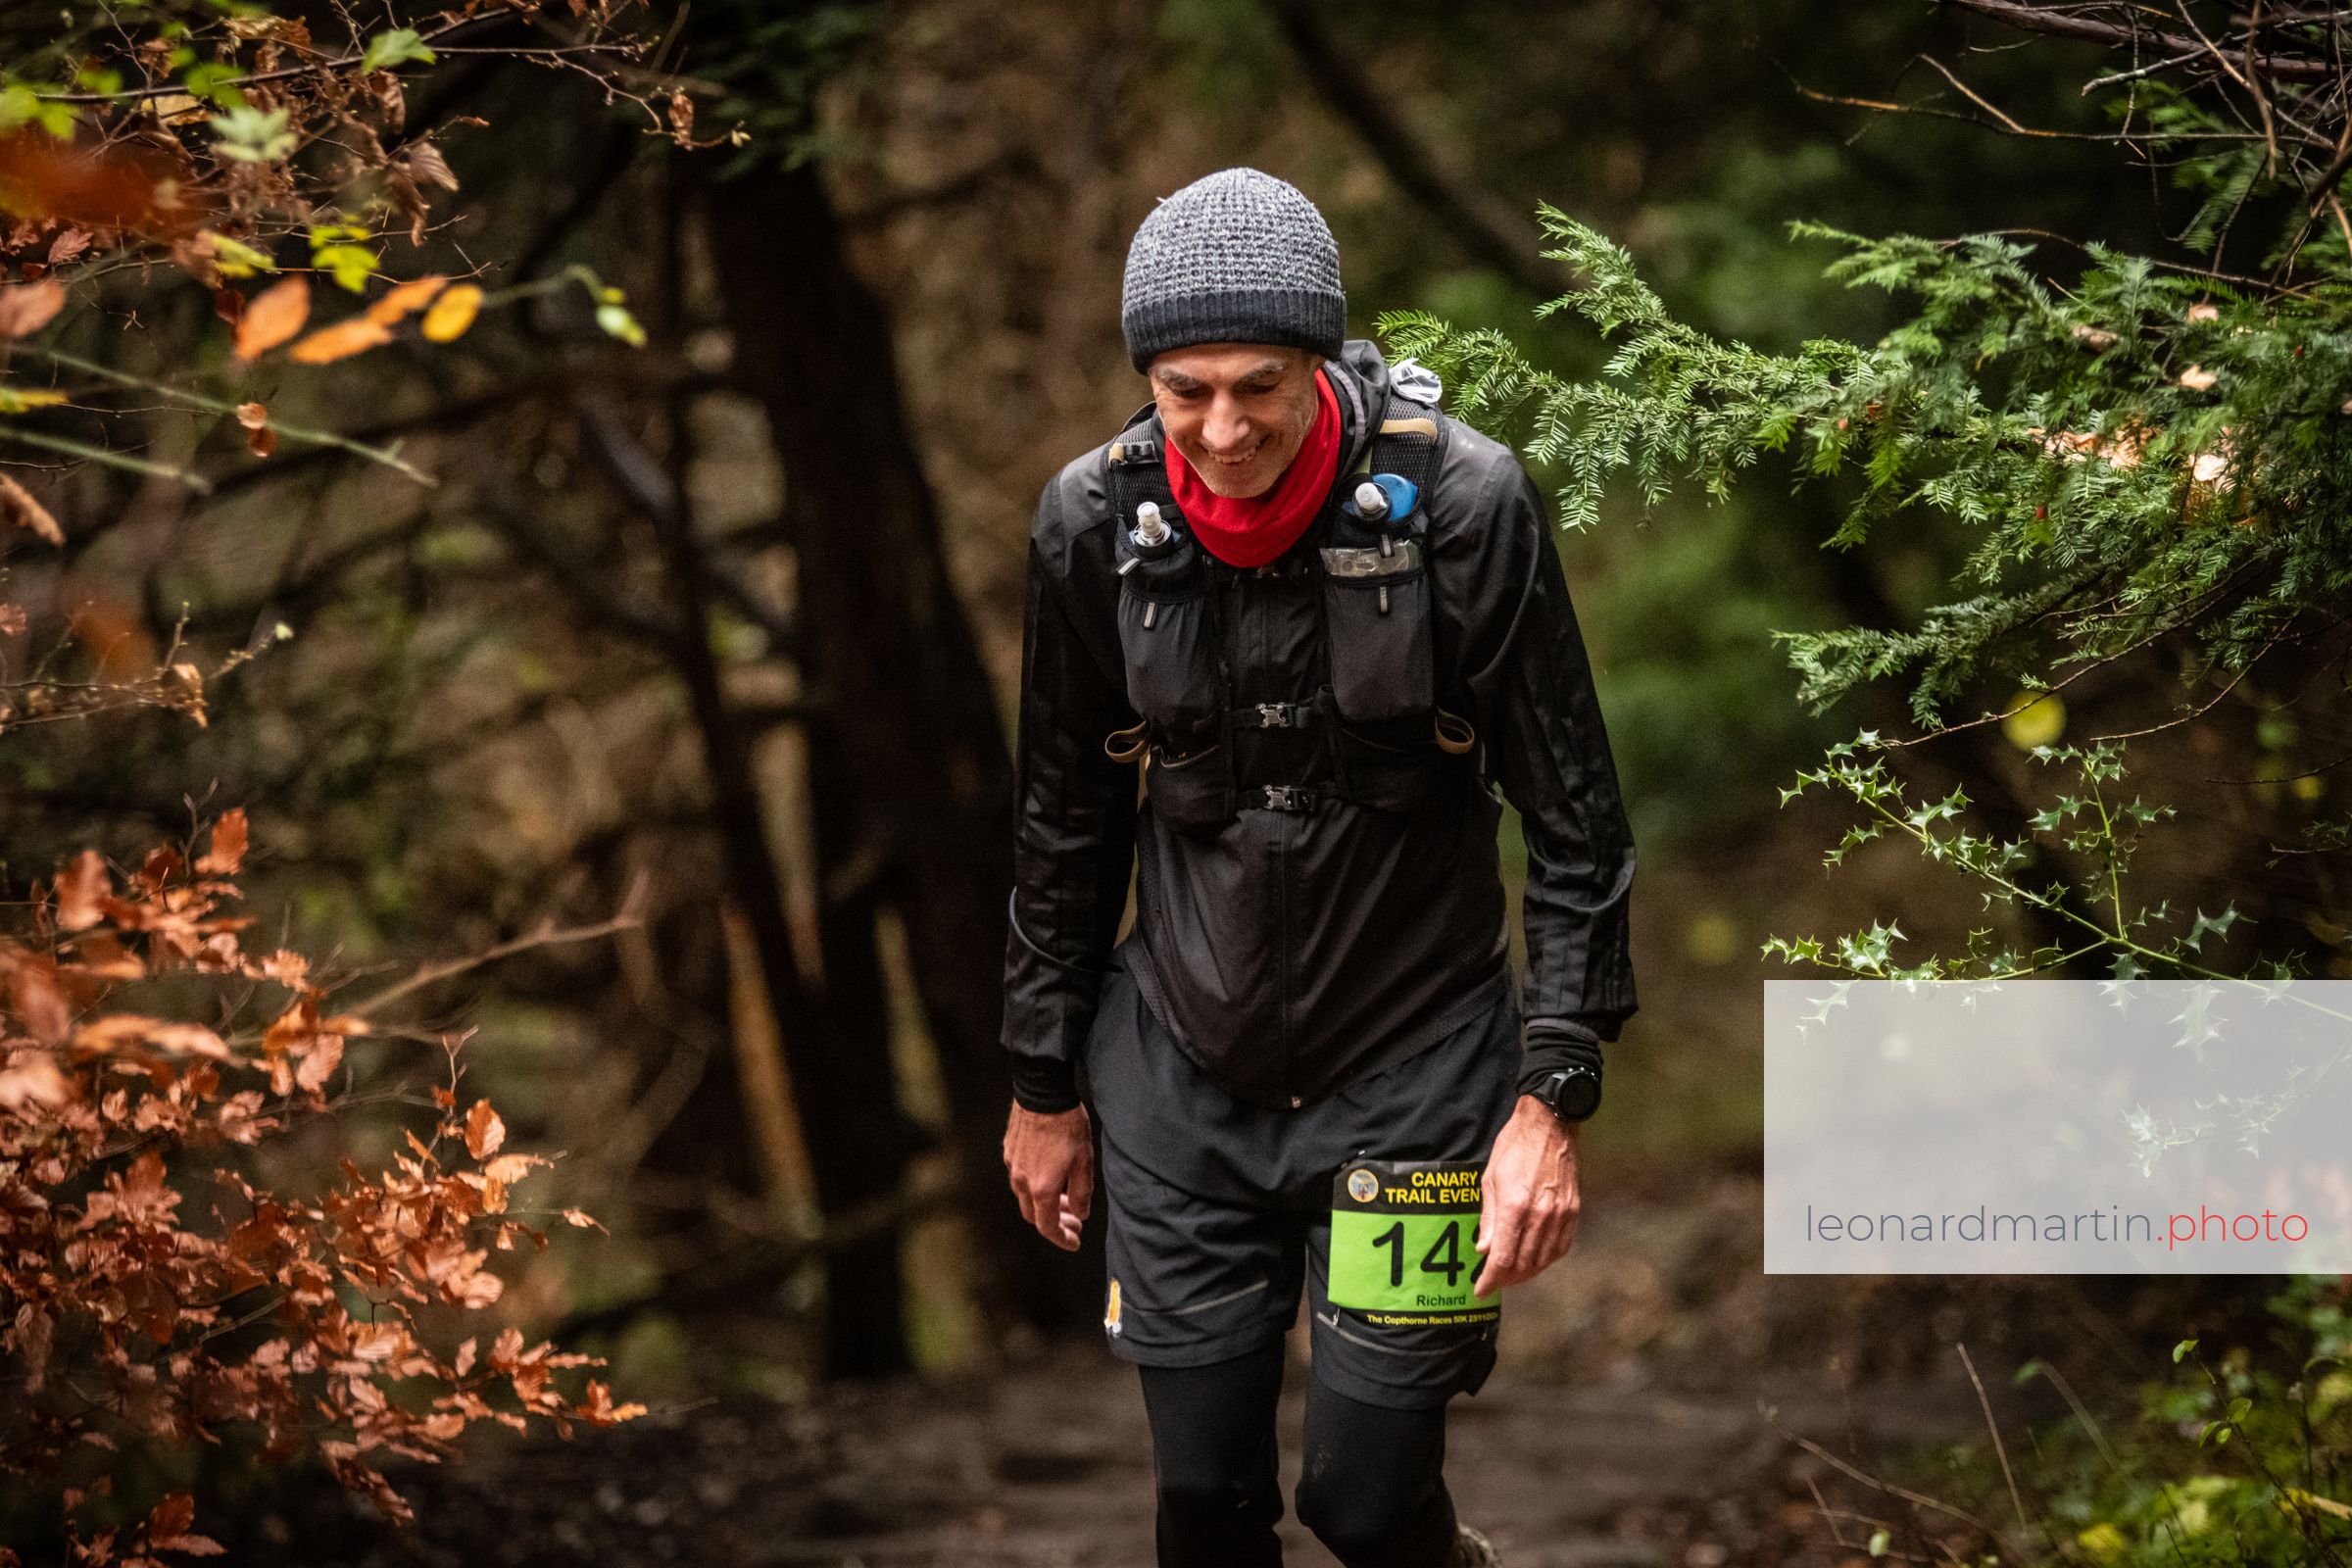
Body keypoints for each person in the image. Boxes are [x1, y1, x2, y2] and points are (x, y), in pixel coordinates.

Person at [1000, 167, 1638, 1568]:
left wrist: (1552, 1094)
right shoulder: (1093, 526)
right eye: (1186, 393)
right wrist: (1044, 1081)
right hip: (1178, 1082)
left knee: (1366, 1507)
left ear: (1318, 362)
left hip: (1416, 1080)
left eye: (1260, 389)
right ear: (1147, 382)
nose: (1223, 430)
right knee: (1203, 1507)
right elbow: (1062, 819)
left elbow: (1576, 819)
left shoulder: (1463, 505)